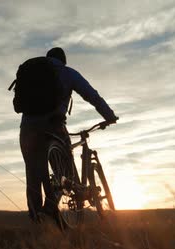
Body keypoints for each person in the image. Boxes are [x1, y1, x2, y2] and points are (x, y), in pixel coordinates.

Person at [18, 47, 118, 225]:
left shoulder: (32, 72)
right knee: (65, 172)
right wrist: (109, 116)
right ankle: (56, 205)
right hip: (53, 124)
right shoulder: (67, 73)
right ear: (63, 61)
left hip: (27, 127)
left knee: (32, 173)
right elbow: (92, 95)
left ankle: (36, 220)